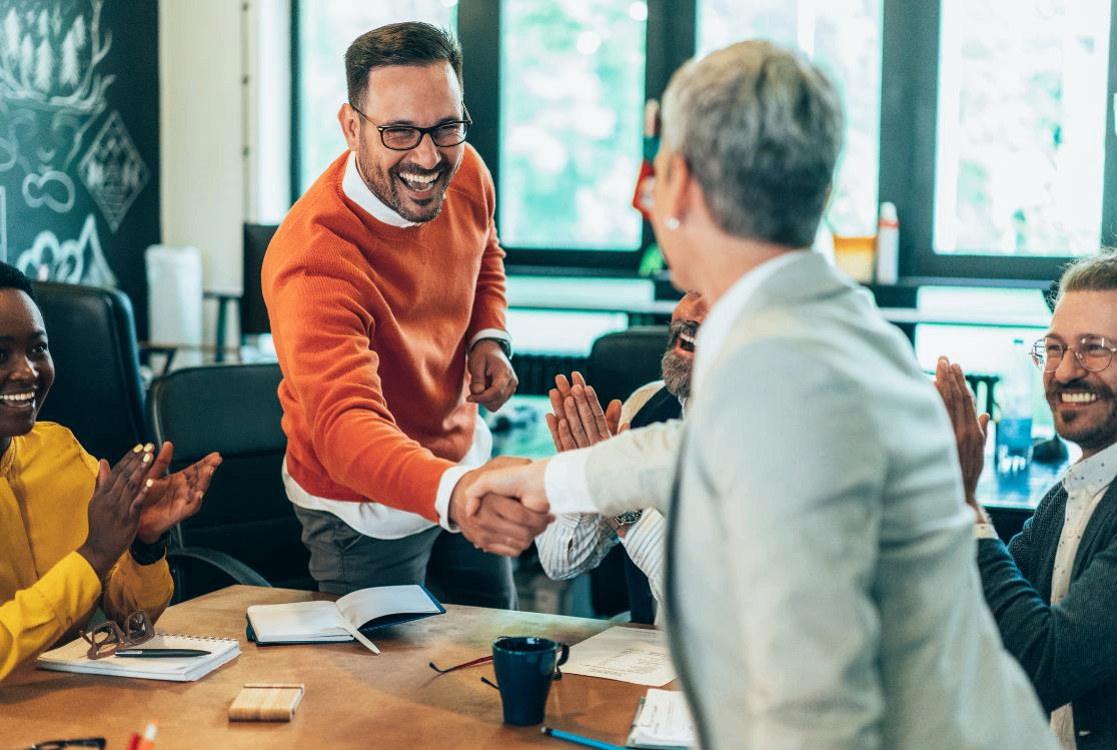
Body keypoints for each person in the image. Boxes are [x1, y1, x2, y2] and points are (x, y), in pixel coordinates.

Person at [466, 40, 1055, 748]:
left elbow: (813, 709)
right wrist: (543, 479)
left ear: (677, 184)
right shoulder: (823, 323)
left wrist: (538, 481)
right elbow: (697, 449)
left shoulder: (782, 356)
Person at [261, 22, 549, 608]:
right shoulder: (313, 261)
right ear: (351, 127)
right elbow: (345, 432)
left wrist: (488, 338)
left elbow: (483, 249)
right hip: (362, 510)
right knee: (388, 693)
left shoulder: (463, 171)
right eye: (398, 131)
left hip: (460, 460)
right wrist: (456, 491)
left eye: (446, 126)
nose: (427, 156)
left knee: (489, 656)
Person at [936, 248, 1117, 750]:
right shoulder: (1070, 493)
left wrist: (965, 503)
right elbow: (985, 612)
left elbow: (1045, 661)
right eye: (1057, 348)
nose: (1064, 373)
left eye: (1095, 348)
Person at [0, 262, 221, 680]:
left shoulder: (58, 449)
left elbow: (130, 613)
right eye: (0, 353)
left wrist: (144, 543)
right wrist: (94, 556)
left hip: (76, 700)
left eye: (38, 349)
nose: (27, 371)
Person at [536, 291, 709, 624]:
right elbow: (560, 563)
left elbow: (701, 604)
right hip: (644, 653)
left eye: (718, 297)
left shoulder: (770, 439)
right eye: (692, 290)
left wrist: (621, 500)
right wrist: (581, 475)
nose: (693, 313)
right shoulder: (644, 404)